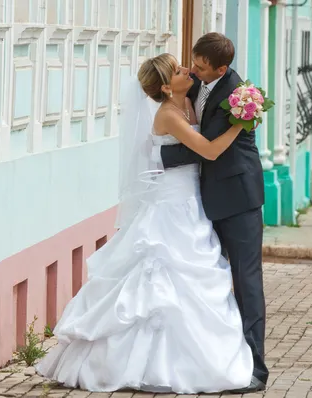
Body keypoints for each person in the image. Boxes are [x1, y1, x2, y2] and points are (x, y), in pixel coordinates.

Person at [35, 52, 253, 394]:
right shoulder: (168, 115)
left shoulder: (187, 104)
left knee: (192, 279)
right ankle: (141, 365)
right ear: (166, 88)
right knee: (159, 277)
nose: (187, 70)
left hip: (190, 200)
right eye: (179, 70)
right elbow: (208, 152)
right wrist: (240, 124)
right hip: (171, 204)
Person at [155, 33, 267, 393]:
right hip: (202, 199)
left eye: (201, 66)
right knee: (211, 283)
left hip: (239, 199)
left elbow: (206, 149)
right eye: (194, 61)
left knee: (246, 282)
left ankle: (256, 370)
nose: (194, 69)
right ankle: (218, 359)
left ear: (221, 68)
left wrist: (159, 157)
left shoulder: (238, 96)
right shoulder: (194, 85)